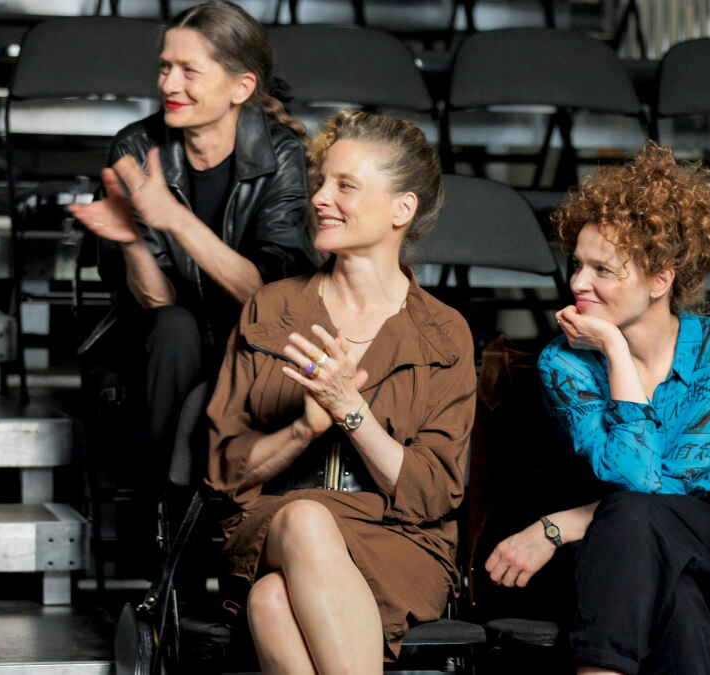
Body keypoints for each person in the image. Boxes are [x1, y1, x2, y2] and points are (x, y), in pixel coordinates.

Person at [205, 110, 475, 671]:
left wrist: (351, 410)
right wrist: (306, 427)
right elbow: (225, 474)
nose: (320, 198)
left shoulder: (444, 331)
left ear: (402, 209)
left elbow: (434, 494)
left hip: (397, 540)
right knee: (304, 518)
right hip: (270, 527)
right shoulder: (272, 308)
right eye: (321, 182)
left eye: (345, 186)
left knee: (272, 602)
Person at [484, 142, 710, 675]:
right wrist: (616, 350)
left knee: (635, 526)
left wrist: (562, 523)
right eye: (577, 265)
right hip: (623, 556)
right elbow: (634, 482)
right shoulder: (563, 362)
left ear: (661, 279)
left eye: (603, 269)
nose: (577, 283)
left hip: (708, 537)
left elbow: (676, 483)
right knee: (669, 590)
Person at [68, 0, 316, 491]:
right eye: (165, 67)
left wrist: (176, 220)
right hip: (160, 339)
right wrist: (132, 239)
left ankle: (190, 509)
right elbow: (155, 299)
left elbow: (267, 295)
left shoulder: (281, 154)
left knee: (235, 338)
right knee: (175, 327)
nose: (168, 85)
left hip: (252, 332)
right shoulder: (135, 146)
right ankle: (171, 504)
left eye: (189, 71)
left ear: (241, 87)